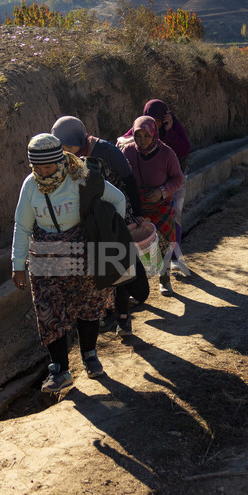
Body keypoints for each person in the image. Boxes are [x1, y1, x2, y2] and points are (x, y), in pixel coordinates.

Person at [11, 132, 128, 394]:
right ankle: (60, 370)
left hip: (80, 252)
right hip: (44, 255)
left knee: (88, 304)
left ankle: (89, 354)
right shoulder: (30, 185)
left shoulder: (80, 176)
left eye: (48, 166)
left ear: (60, 161)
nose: (42, 172)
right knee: (49, 310)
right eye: (37, 167)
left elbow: (117, 199)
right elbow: (22, 226)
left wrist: (112, 238)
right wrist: (17, 264)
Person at [51, 115, 148, 337]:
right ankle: (107, 313)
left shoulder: (105, 152)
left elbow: (130, 181)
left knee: (117, 265)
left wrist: (135, 216)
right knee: (97, 269)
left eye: (68, 145)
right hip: (89, 219)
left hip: (114, 214)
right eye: (62, 146)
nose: (65, 150)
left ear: (79, 139)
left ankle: (123, 319)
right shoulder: (66, 159)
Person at [119, 116, 185, 295]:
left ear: (154, 134)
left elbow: (178, 178)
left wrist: (162, 191)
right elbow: (122, 176)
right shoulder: (128, 151)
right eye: (138, 136)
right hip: (136, 207)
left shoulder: (166, 153)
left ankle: (164, 279)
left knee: (165, 245)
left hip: (161, 207)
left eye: (146, 136)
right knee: (135, 248)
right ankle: (137, 288)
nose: (142, 141)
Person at [142, 100, 191, 276]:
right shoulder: (142, 126)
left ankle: (175, 258)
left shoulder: (173, 126)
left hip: (175, 178)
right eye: (151, 119)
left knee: (175, 215)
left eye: (159, 121)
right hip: (153, 180)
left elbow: (185, 149)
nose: (155, 125)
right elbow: (126, 138)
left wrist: (169, 131)